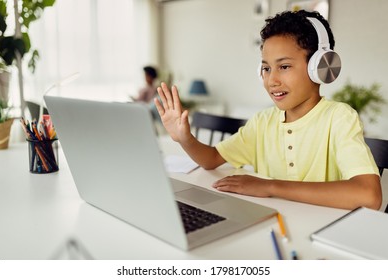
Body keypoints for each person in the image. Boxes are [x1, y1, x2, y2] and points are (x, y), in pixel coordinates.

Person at [154, 10, 382, 210]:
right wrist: (185, 139)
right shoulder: (262, 122)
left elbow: (369, 195)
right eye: (265, 68)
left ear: (320, 68)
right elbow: (212, 159)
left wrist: (270, 186)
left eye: (284, 67)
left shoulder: (339, 118)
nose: (271, 80)